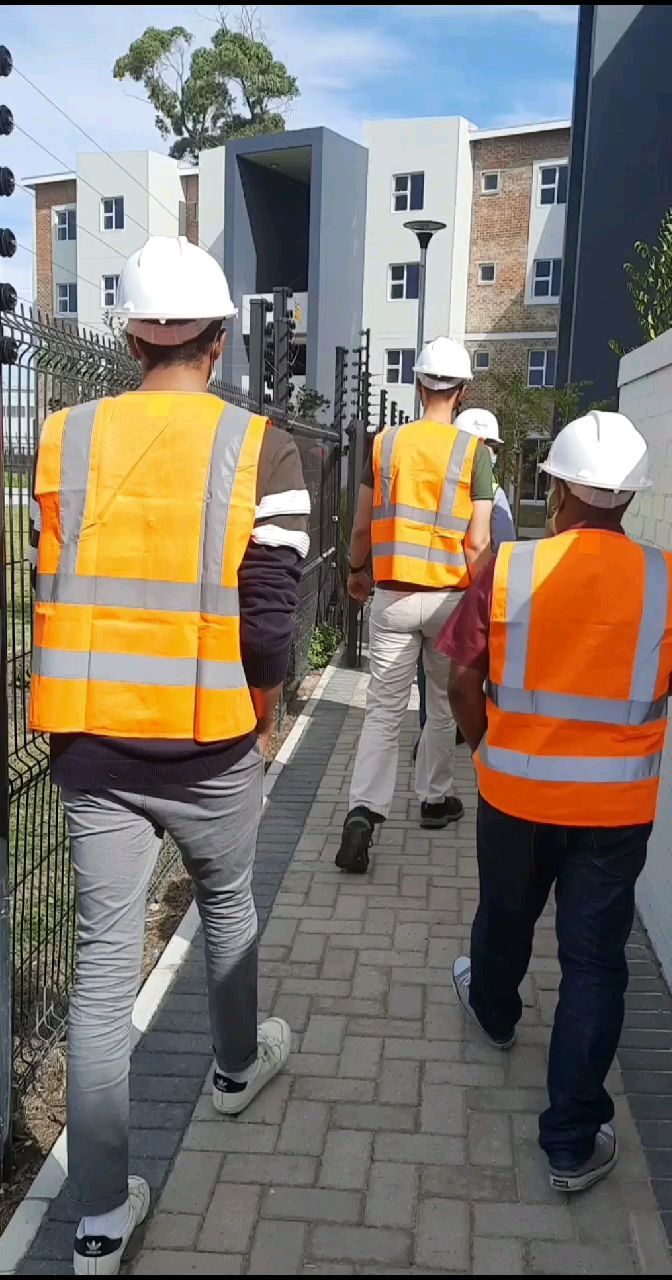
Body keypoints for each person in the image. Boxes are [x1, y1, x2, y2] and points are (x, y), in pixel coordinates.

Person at [28, 236, 310, 1275]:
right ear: (222, 337)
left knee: (105, 973)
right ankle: (236, 1069)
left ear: (131, 334)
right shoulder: (261, 447)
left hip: (95, 746)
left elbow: (52, 574)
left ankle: (98, 1219)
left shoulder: (61, 439)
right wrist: (265, 711)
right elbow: (271, 624)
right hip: (208, 743)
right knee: (227, 903)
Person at [438, 411, 672, 1192]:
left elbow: (460, 679)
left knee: (505, 917)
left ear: (554, 487)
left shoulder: (508, 569)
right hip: (615, 813)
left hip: (516, 797)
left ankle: (494, 1012)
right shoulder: (671, 579)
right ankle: (571, 1140)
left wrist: (487, 746)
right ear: (628, 499)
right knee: (593, 963)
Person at [335, 337, 494, 874]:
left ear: (419, 386)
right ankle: (433, 799)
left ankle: (362, 813)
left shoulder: (384, 446)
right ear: (463, 392)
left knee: (382, 709)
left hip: (394, 596)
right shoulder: (476, 454)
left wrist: (358, 573)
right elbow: (477, 543)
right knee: (443, 703)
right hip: (451, 600)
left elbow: (360, 525)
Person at [413, 408, 515, 759]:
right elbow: (497, 550)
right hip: (465, 596)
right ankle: (439, 748)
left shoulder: (438, 486)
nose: (491, 454)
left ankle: (431, 742)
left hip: (430, 589)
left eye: (493, 447)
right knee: (451, 684)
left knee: (434, 683)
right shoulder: (492, 497)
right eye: (486, 445)